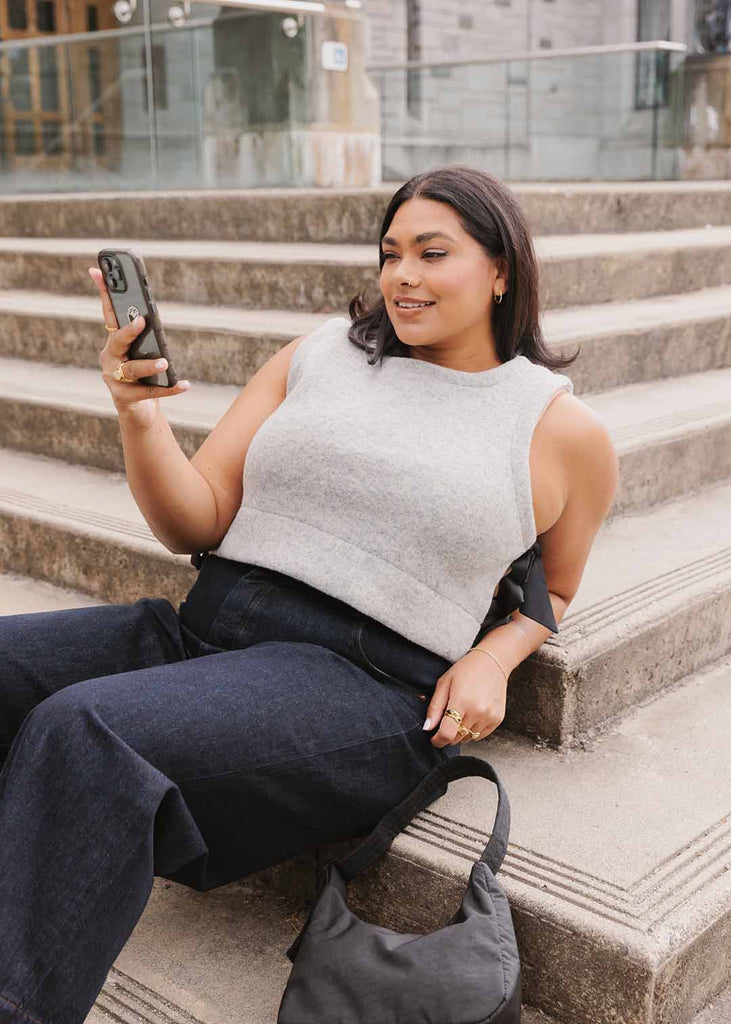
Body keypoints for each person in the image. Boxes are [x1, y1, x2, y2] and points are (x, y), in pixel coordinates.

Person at [0, 166, 617, 1024]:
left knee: (88, 729)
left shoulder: (557, 428)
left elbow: (554, 585)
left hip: (362, 684)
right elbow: (194, 521)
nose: (402, 276)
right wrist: (138, 416)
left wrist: (493, 655)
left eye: (432, 253)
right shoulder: (318, 355)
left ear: (502, 268)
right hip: (210, 626)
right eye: (389, 253)